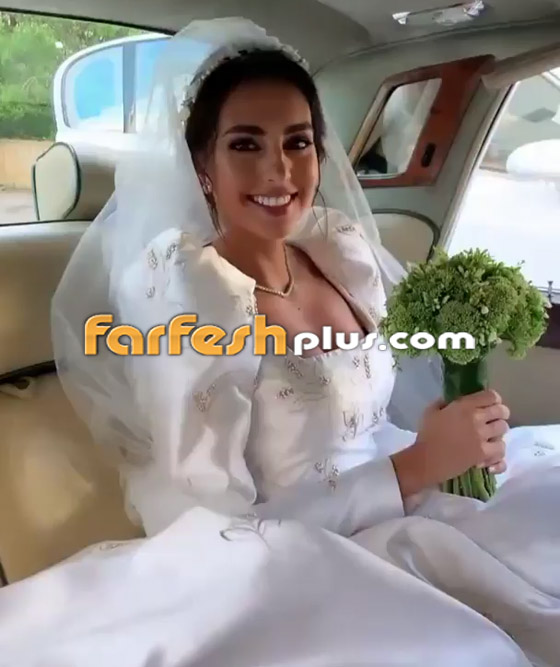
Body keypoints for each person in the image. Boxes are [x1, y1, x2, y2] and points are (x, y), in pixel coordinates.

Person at [1, 17, 557, 667]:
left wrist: (452, 434)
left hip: (415, 492)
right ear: (203, 168)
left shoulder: (338, 249)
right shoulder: (186, 294)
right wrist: (415, 467)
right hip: (304, 557)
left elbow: (374, 409)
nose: (279, 169)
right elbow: (219, 533)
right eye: (246, 144)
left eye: (298, 142)